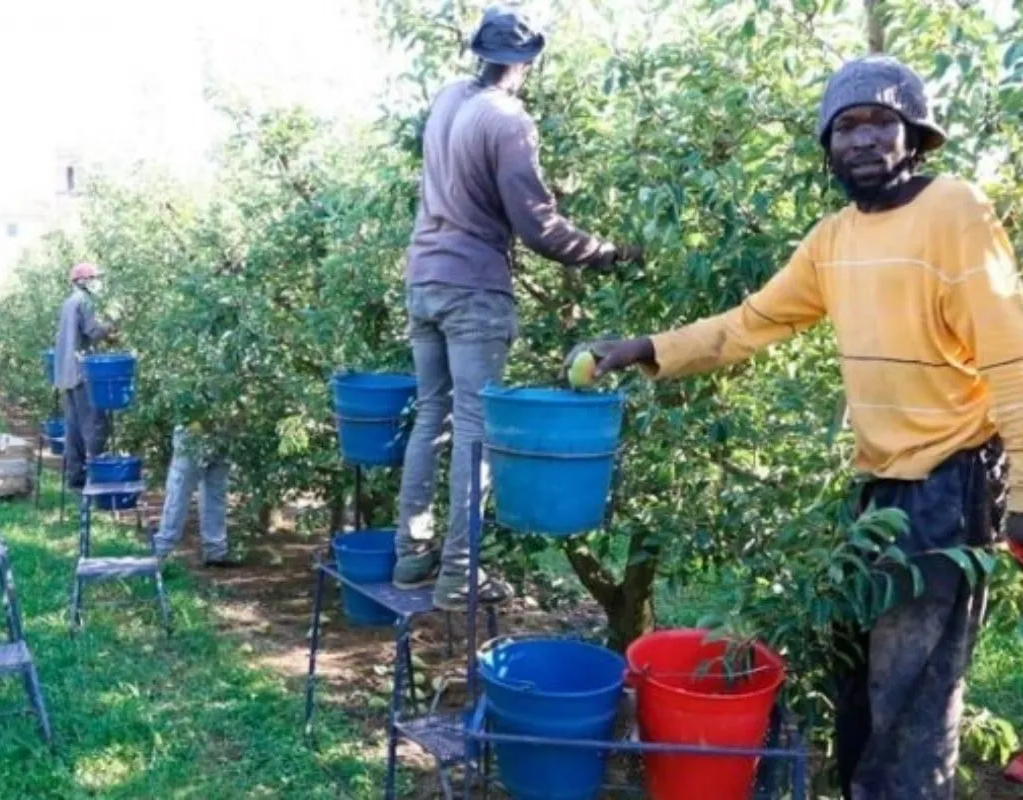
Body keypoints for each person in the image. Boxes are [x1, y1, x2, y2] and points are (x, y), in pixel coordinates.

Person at [569, 55, 1023, 799]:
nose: (863, 139)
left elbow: (1012, 357)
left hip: (952, 482)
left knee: (913, 697)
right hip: (877, 491)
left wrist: (1022, 500)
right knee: (858, 685)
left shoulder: (956, 213)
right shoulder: (833, 238)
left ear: (914, 134)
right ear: (827, 145)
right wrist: (646, 349)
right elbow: (751, 324)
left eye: (881, 121)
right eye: (846, 126)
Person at [393, 3, 642, 611]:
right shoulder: (508, 120)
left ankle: (410, 556)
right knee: (477, 430)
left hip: (423, 276)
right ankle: (457, 578)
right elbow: (536, 226)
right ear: (527, 63)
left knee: (433, 418)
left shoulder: (450, 98)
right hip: (473, 286)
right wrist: (604, 253)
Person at [53, 261, 113, 489]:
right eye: (95, 278)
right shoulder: (85, 301)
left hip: (66, 374)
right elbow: (93, 331)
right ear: (84, 281)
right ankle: (98, 477)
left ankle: (75, 477)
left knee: (73, 428)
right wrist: (113, 327)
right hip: (82, 373)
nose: (98, 282)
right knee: (95, 424)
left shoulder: (69, 302)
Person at [153, 424, 239, 568]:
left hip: (223, 433)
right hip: (192, 433)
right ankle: (161, 552)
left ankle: (216, 554)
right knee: (179, 494)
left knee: (216, 495)